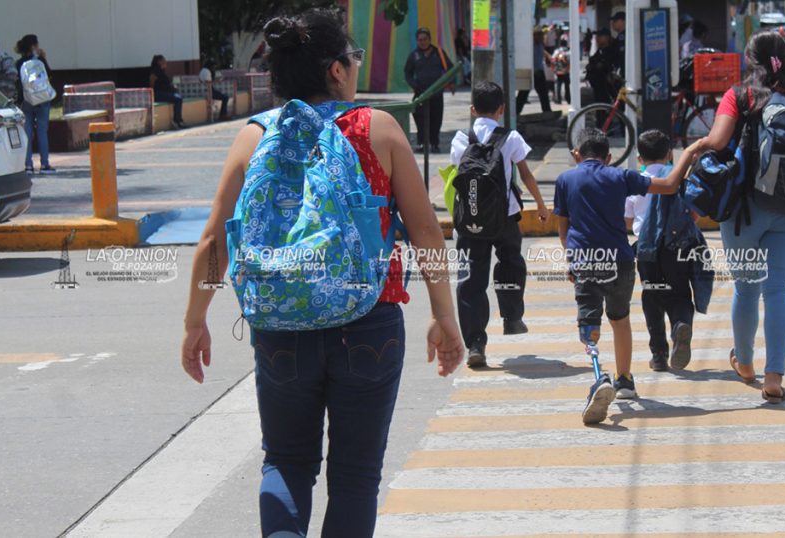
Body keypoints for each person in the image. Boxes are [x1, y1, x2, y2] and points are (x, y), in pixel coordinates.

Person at [181, 10, 464, 537]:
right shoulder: (376, 128)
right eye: (354, 60)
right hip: (369, 323)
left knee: (285, 463)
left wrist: (195, 320)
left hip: (280, 329)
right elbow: (426, 230)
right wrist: (444, 316)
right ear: (336, 70)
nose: (356, 69)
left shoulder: (252, 137)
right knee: (356, 478)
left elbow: (212, 243)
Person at [694, 31, 785, 404]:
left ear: (751, 59)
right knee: (778, 290)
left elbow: (716, 140)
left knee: (747, 288)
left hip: (747, 211)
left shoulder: (741, 95)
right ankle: (774, 376)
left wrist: (692, 150)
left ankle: (745, 365)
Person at [554, 129, 703, 424]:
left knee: (589, 322)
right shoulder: (620, 177)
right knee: (620, 319)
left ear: (576, 155)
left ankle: (600, 377)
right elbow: (671, 185)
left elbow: (564, 227)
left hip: (586, 260)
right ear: (609, 158)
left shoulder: (565, 180)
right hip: (621, 261)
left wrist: (571, 260)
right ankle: (624, 379)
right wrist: (690, 152)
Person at [450, 81, 550, 368]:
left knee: (471, 281)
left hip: (470, 219)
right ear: (502, 109)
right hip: (505, 217)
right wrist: (541, 205)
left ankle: (476, 344)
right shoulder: (511, 138)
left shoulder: (460, 140)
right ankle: (512, 316)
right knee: (511, 263)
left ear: (472, 109)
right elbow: (526, 176)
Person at [625, 130, 712, 372]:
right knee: (680, 293)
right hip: (677, 248)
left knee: (652, 296)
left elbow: (626, 221)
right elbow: (693, 215)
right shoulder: (678, 179)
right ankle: (681, 324)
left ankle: (659, 355)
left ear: (639, 158)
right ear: (670, 154)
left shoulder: (635, 182)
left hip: (646, 250)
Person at [404, 27, 454, 152]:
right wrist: (414, 85)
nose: (423, 42)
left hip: (436, 93)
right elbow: (407, 73)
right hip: (421, 95)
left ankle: (434, 144)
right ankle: (422, 144)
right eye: (420, 40)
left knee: (436, 120)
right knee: (420, 119)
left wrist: (451, 84)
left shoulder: (439, 53)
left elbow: (451, 69)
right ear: (417, 41)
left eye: (425, 39)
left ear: (430, 39)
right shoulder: (414, 55)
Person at [15, 34, 54, 174]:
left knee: (27, 132)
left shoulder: (19, 63)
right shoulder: (40, 60)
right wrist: (43, 57)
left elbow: (18, 81)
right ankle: (44, 164)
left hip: (26, 100)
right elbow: (49, 76)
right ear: (33, 46)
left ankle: (28, 165)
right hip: (42, 99)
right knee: (42, 131)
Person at [516, 28, 553, 115]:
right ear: (534, 35)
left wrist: (547, 57)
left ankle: (547, 111)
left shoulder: (540, 44)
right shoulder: (529, 44)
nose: (542, 37)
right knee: (523, 93)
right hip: (531, 72)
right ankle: (516, 111)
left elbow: (542, 52)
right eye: (539, 35)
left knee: (543, 93)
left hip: (539, 72)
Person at [585, 29, 621, 105]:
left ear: (607, 37)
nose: (597, 38)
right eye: (597, 36)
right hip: (597, 85)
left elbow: (606, 65)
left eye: (600, 36)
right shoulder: (600, 50)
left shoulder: (611, 50)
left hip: (606, 85)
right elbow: (593, 61)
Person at [150, 55, 185, 129]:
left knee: (178, 97)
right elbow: (151, 80)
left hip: (166, 92)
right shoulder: (156, 70)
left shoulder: (162, 71)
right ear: (159, 62)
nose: (166, 62)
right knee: (178, 99)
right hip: (159, 93)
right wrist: (152, 92)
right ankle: (177, 120)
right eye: (164, 60)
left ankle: (179, 120)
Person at [552, 39, 571, 105]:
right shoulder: (568, 51)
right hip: (566, 71)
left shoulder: (557, 51)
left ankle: (559, 99)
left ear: (560, 44)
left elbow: (553, 59)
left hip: (559, 71)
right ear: (566, 44)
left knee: (558, 85)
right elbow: (570, 60)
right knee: (567, 86)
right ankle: (568, 99)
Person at [611, 11, 627, 77]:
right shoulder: (619, 37)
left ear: (623, 21)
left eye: (615, 20)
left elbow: (621, 56)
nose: (613, 23)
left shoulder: (624, 37)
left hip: (624, 72)